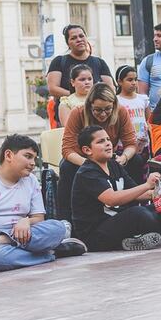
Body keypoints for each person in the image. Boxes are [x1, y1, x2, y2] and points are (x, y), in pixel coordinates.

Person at [0, 134, 86, 272]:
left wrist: (26, 221)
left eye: (34, 158)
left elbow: (39, 218)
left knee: (58, 227)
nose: (33, 163)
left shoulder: (31, 181)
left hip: (22, 235)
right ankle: (53, 252)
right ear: (8, 155)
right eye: (28, 156)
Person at [70, 126, 161, 251]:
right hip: (95, 234)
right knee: (139, 214)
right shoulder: (87, 172)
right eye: (100, 141)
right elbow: (111, 199)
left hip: (116, 223)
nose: (107, 143)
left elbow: (137, 193)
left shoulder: (113, 165)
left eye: (108, 139)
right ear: (87, 150)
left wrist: (160, 194)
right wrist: (147, 185)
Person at [57, 84, 137, 223]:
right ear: (89, 106)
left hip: (108, 157)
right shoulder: (78, 113)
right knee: (66, 166)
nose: (103, 114)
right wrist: (90, 164)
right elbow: (67, 149)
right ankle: (65, 219)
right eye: (97, 110)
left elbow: (130, 143)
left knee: (137, 160)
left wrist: (124, 157)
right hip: (82, 159)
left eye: (108, 109)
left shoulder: (121, 112)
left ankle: (133, 205)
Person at [115, 65, 152, 184]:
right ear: (119, 81)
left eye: (135, 79)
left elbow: (148, 119)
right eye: (129, 80)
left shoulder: (143, 99)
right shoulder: (116, 100)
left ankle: (144, 199)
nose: (134, 83)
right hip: (124, 144)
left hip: (143, 143)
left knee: (142, 174)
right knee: (128, 175)